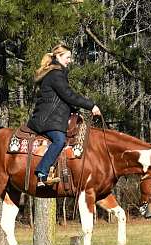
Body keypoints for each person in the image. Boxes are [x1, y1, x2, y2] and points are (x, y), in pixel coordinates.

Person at [28, 44, 101, 187]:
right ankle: (42, 173)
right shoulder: (55, 74)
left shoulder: (57, 73)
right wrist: (91, 105)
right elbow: (69, 95)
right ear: (58, 57)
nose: (70, 60)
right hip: (47, 120)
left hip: (53, 117)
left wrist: (74, 110)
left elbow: (61, 99)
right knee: (59, 141)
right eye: (67, 57)